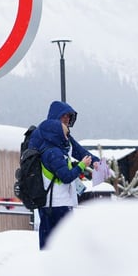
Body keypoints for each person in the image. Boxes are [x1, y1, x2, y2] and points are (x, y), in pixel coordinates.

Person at [27, 101, 100, 249]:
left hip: (59, 196)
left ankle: (50, 264)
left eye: (69, 116)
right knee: (60, 239)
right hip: (52, 197)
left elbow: (79, 151)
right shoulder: (49, 139)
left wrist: (96, 162)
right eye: (64, 116)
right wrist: (80, 166)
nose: (67, 119)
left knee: (53, 239)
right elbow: (63, 172)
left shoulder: (60, 137)